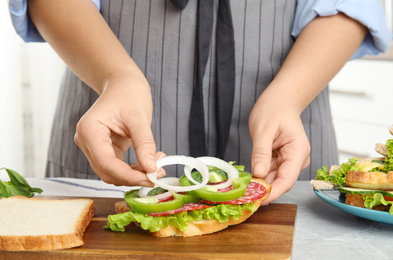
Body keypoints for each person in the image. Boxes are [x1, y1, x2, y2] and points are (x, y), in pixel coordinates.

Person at [9, 0, 392, 204]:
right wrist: (116, 77)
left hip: (285, 117)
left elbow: (353, 4)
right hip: (109, 114)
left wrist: (289, 96)